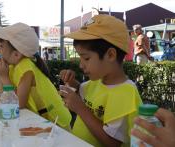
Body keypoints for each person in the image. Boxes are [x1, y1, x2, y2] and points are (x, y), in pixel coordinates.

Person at [59, 14, 142, 147]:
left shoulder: (125, 92)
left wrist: (80, 108)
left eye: (86, 58)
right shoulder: (98, 81)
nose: (81, 65)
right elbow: (82, 92)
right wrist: (71, 81)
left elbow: (112, 142)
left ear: (110, 55)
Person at [0, 23, 71, 129]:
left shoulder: (26, 67)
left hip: (56, 124)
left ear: (16, 54)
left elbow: (18, 103)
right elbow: (5, 93)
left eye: (1, 46)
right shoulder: (12, 66)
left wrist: (4, 77)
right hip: (41, 122)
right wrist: (1, 75)